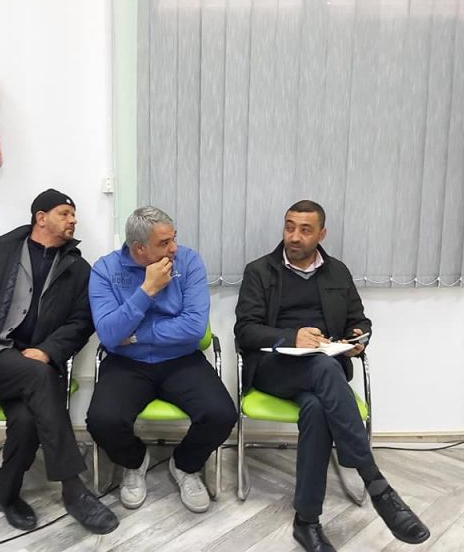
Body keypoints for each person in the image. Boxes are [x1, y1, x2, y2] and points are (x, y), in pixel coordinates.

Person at [234, 200, 430, 552]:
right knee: (324, 369)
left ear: (321, 234)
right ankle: (376, 482)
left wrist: (358, 338)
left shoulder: (337, 272)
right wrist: (291, 337)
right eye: (289, 227)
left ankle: (306, 522)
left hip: (322, 373)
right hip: (273, 367)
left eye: (305, 230)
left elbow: (359, 320)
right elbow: (245, 331)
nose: (294, 236)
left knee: (317, 408)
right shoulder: (260, 271)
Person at [0, 189, 118, 535]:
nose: (73, 220)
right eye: (64, 214)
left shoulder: (78, 269)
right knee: (39, 377)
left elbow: (82, 322)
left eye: (74, 215)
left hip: (33, 367)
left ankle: (5, 493)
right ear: (40, 218)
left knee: (28, 417)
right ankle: (73, 490)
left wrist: (47, 350)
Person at [86, 206, 236, 514]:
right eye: (164, 243)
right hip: (127, 364)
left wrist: (137, 334)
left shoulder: (189, 262)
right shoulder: (105, 270)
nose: (174, 248)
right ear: (139, 248)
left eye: (174, 238)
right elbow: (109, 334)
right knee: (102, 422)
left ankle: (185, 466)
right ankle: (134, 461)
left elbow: (194, 327)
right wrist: (147, 289)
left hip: (181, 359)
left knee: (221, 415)